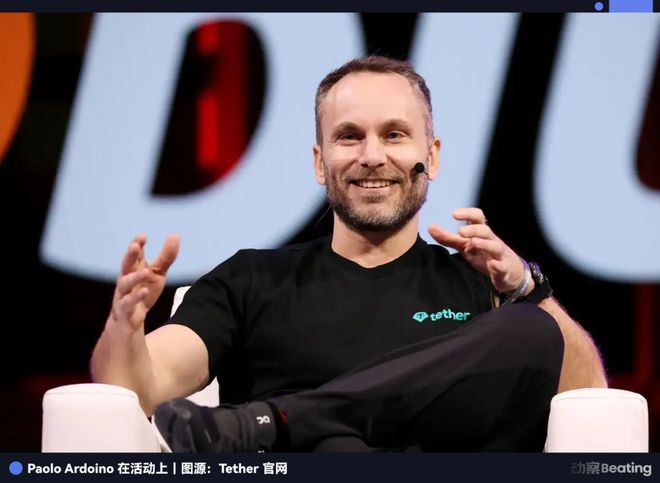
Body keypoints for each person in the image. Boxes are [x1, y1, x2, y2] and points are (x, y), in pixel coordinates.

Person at [90, 55, 607, 452]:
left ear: (431, 156)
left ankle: (276, 421)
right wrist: (124, 327)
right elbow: (138, 386)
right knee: (339, 451)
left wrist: (528, 290)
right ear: (321, 162)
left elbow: (592, 398)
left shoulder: (481, 286)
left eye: (394, 135)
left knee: (531, 328)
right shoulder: (252, 279)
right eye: (349, 137)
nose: (372, 156)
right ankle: (298, 427)